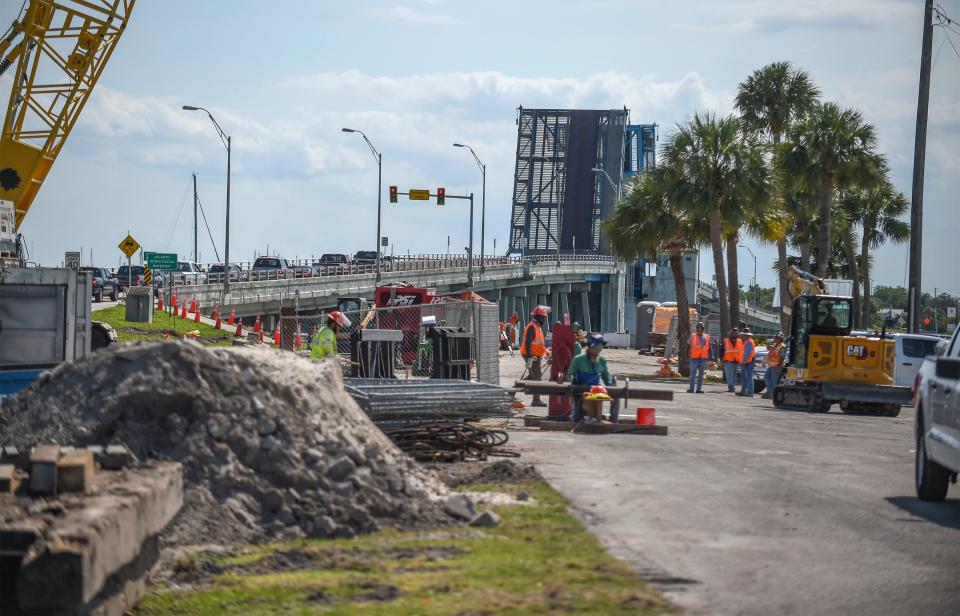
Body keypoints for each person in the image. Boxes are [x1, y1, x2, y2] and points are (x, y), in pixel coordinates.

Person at [569, 334, 614, 423]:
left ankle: (597, 419)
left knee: (598, 398)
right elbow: (570, 373)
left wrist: (610, 385)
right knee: (589, 397)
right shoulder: (578, 359)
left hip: (596, 389)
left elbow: (606, 375)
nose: (597, 352)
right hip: (581, 388)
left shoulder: (601, 360)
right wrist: (575, 381)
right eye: (595, 349)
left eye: (599, 350)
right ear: (590, 348)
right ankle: (589, 417)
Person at [520, 305, 551, 407]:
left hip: (535, 355)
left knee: (533, 376)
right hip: (531, 355)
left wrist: (547, 352)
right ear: (537, 317)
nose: (544, 319)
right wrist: (529, 359)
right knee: (537, 377)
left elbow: (539, 344)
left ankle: (514, 389)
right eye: (543, 317)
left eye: (544, 317)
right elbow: (528, 344)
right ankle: (536, 400)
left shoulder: (537, 326)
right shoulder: (532, 327)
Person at [687, 322, 712, 393]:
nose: (700, 329)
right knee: (692, 374)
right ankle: (691, 389)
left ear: (703, 329)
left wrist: (712, 357)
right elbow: (688, 346)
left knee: (701, 375)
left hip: (703, 358)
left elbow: (709, 347)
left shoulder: (707, 336)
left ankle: (698, 389)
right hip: (694, 358)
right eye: (698, 328)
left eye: (701, 328)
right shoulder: (692, 336)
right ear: (696, 328)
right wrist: (687, 355)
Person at [762, 332, 785, 399]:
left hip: (777, 366)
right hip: (772, 365)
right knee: (766, 377)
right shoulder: (776, 345)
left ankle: (774, 395)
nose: (775, 338)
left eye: (777, 338)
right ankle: (771, 392)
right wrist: (767, 344)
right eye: (775, 337)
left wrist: (779, 364)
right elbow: (769, 349)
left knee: (774, 381)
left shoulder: (782, 346)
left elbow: (782, 356)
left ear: (780, 339)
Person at [721, 327, 743, 393]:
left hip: (736, 361)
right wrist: (721, 359)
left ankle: (732, 387)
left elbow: (741, 351)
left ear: (737, 334)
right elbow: (721, 351)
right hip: (728, 361)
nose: (734, 334)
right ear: (730, 333)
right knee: (729, 375)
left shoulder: (740, 341)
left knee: (734, 376)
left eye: (736, 333)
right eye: (733, 333)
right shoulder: (725, 341)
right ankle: (730, 387)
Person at [737, 328, 756, 397]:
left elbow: (747, 353)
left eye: (743, 335)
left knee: (748, 377)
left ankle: (750, 392)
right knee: (745, 377)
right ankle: (744, 391)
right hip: (748, 361)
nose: (741, 336)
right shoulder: (748, 341)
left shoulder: (748, 342)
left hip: (748, 362)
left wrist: (743, 362)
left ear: (746, 335)